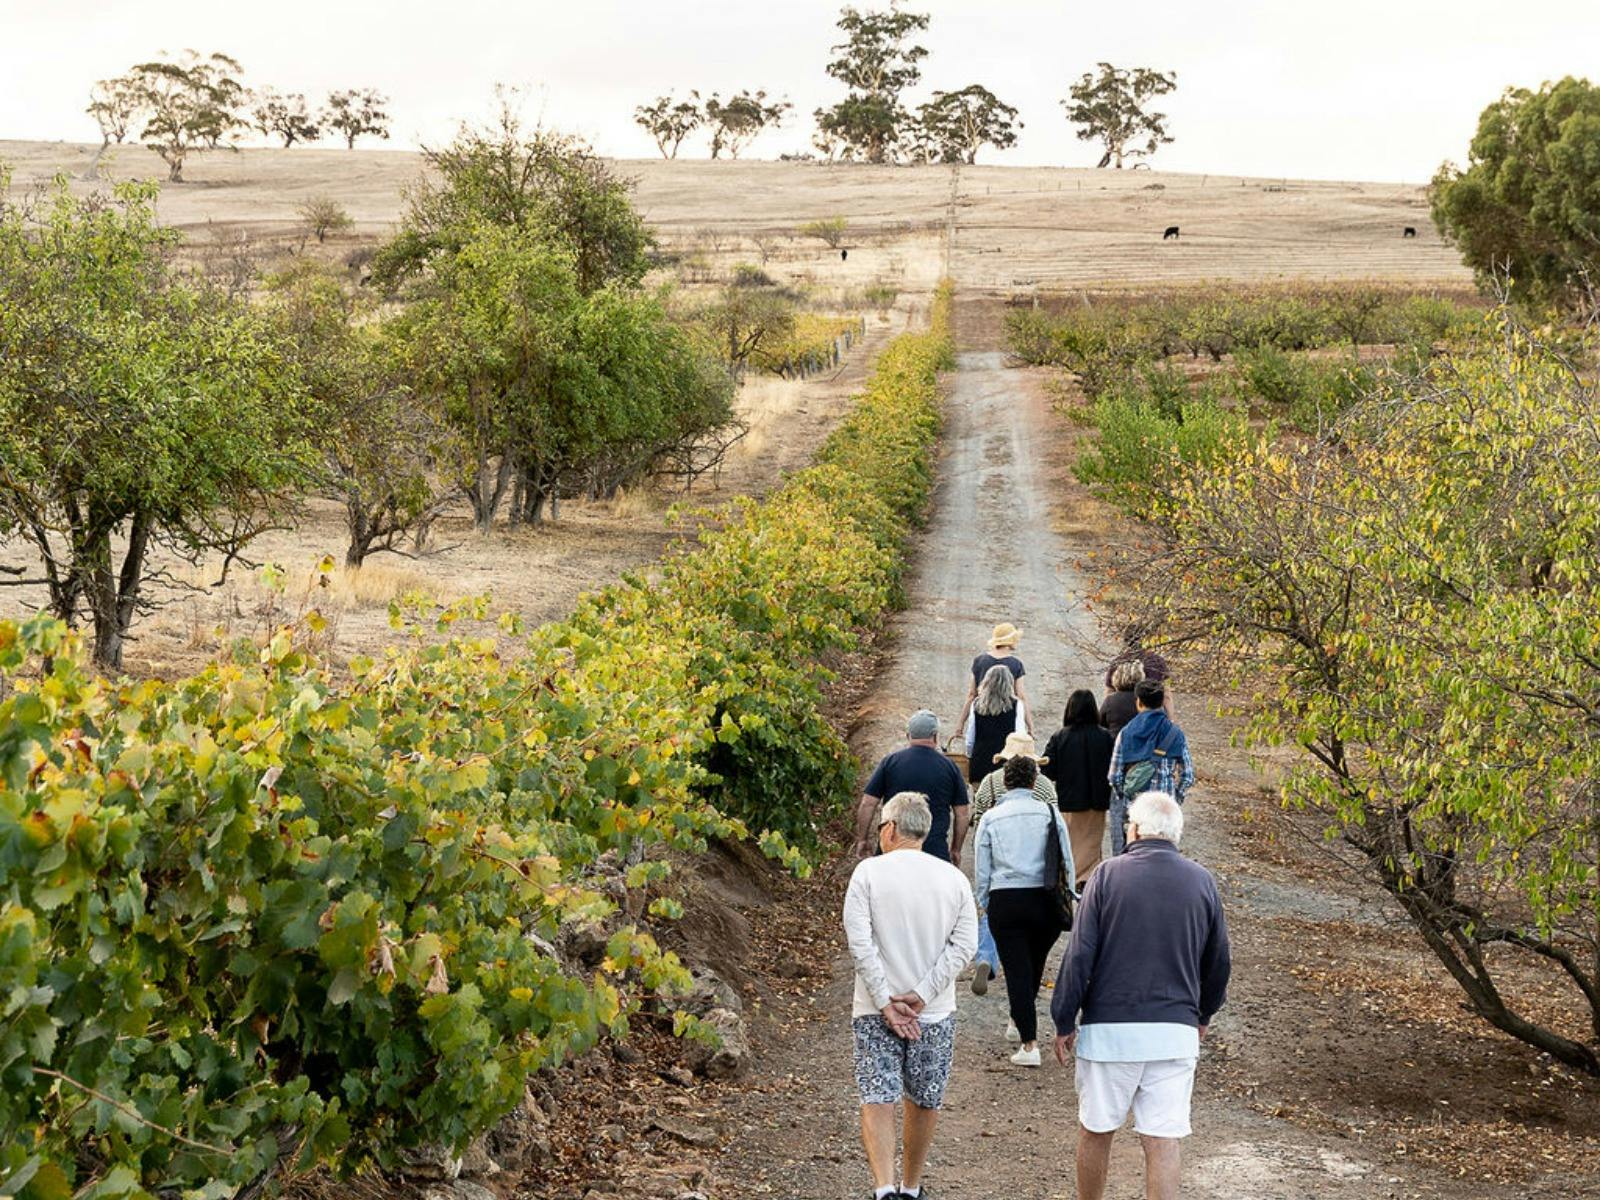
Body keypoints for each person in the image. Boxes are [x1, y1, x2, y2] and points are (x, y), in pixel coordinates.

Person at [1050, 793, 1231, 1200]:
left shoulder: (1106, 875)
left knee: (1096, 1131)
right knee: (1163, 1140)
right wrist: (1203, 1014)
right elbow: (1218, 961)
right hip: (1174, 1031)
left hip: (1111, 1030)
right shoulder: (1201, 881)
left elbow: (1080, 954)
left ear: (1133, 829)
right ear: (1175, 835)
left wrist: (1064, 1018)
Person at [844, 791, 978, 1200]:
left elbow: (860, 942)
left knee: (877, 1094)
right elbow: (965, 945)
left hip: (873, 1008)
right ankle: (912, 1185)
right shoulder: (953, 879)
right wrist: (922, 993)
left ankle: (884, 1188)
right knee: (924, 1096)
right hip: (933, 1011)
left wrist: (886, 1000)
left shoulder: (867, 874)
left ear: (888, 829)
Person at [974, 755, 1074, 1068]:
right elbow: (1066, 859)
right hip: (1045, 899)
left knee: (1017, 969)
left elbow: (982, 866)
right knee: (1032, 965)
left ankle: (1029, 1042)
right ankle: (1019, 1020)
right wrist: (1068, 893)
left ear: (1005, 781)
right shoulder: (1049, 812)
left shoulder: (992, 817)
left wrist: (986, 902)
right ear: (1034, 782)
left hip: (1007, 897)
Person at [968, 733, 1055, 998]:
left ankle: (986, 956)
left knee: (992, 906)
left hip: (997, 854)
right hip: (1032, 863)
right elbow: (1053, 825)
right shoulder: (1043, 787)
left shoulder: (990, 782)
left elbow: (979, 816)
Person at [855, 710, 971, 865]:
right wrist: (955, 849)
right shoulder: (950, 767)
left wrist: (862, 839)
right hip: (934, 852)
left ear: (908, 736)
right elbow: (962, 814)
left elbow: (867, 804)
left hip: (892, 849)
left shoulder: (890, 762)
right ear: (935, 736)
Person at [1107, 680, 1193, 857]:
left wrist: (1126, 795)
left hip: (1137, 811)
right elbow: (1188, 776)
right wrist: (1176, 798)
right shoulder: (1175, 733)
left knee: (1132, 858)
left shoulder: (1126, 733)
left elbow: (1114, 776)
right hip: (1166, 812)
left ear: (1138, 702)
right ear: (1162, 702)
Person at [1041, 690, 1116, 885]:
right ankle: (1088, 881)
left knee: (1071, 845)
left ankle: (1071, 880)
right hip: (1097, 801)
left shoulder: (1060, 737)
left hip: (1069, 801)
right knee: (1092, 845)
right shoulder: (1106, 737)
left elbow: (1047, 769)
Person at [957, 623, 1031, 732]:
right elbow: (1020, 696)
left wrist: (960, 724)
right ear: (1011, 640)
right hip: (1007, 718)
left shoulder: (979, 661)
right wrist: (1030, 726)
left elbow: (971, 695)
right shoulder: (1016, 664)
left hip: (983, 714)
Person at [964, 665, 1027, 788]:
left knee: (981, 803)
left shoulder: (976, 704)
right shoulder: (1016, 705)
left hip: (980, 762)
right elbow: (1020, 736)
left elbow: (970, 738)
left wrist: (970, 755)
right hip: (1007, 765)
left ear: (986, 682)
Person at [1099, 658, 1145, 739]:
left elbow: (1100, 725)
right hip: (1141, 745)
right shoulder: (1145, 700)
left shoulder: (1110, 701)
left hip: (1116, 745)